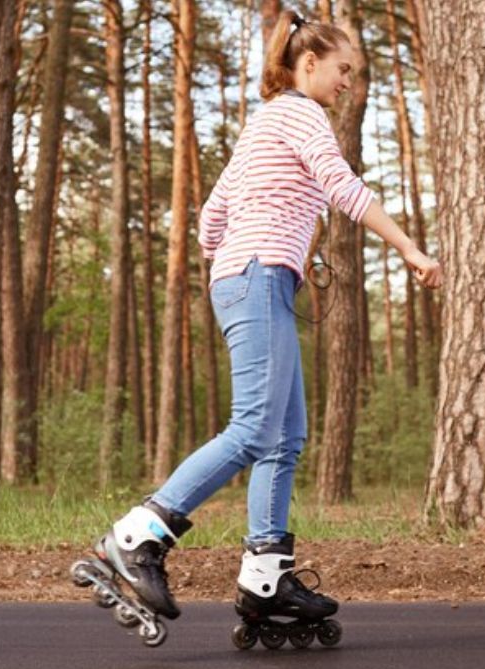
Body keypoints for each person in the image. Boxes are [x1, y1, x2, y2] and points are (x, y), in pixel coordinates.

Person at [90, 8, 443, 633]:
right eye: (342, 70)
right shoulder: (301, 113)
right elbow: (343, 186)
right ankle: (137, 535)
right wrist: (409, 249)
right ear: (309, 63)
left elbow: (210, 218)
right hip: (259, 275)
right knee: (254, 428)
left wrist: (227, 270)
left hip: (252, 276)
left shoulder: (262, 124)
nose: (347, 84)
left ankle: (266, 576)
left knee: (285, 436)